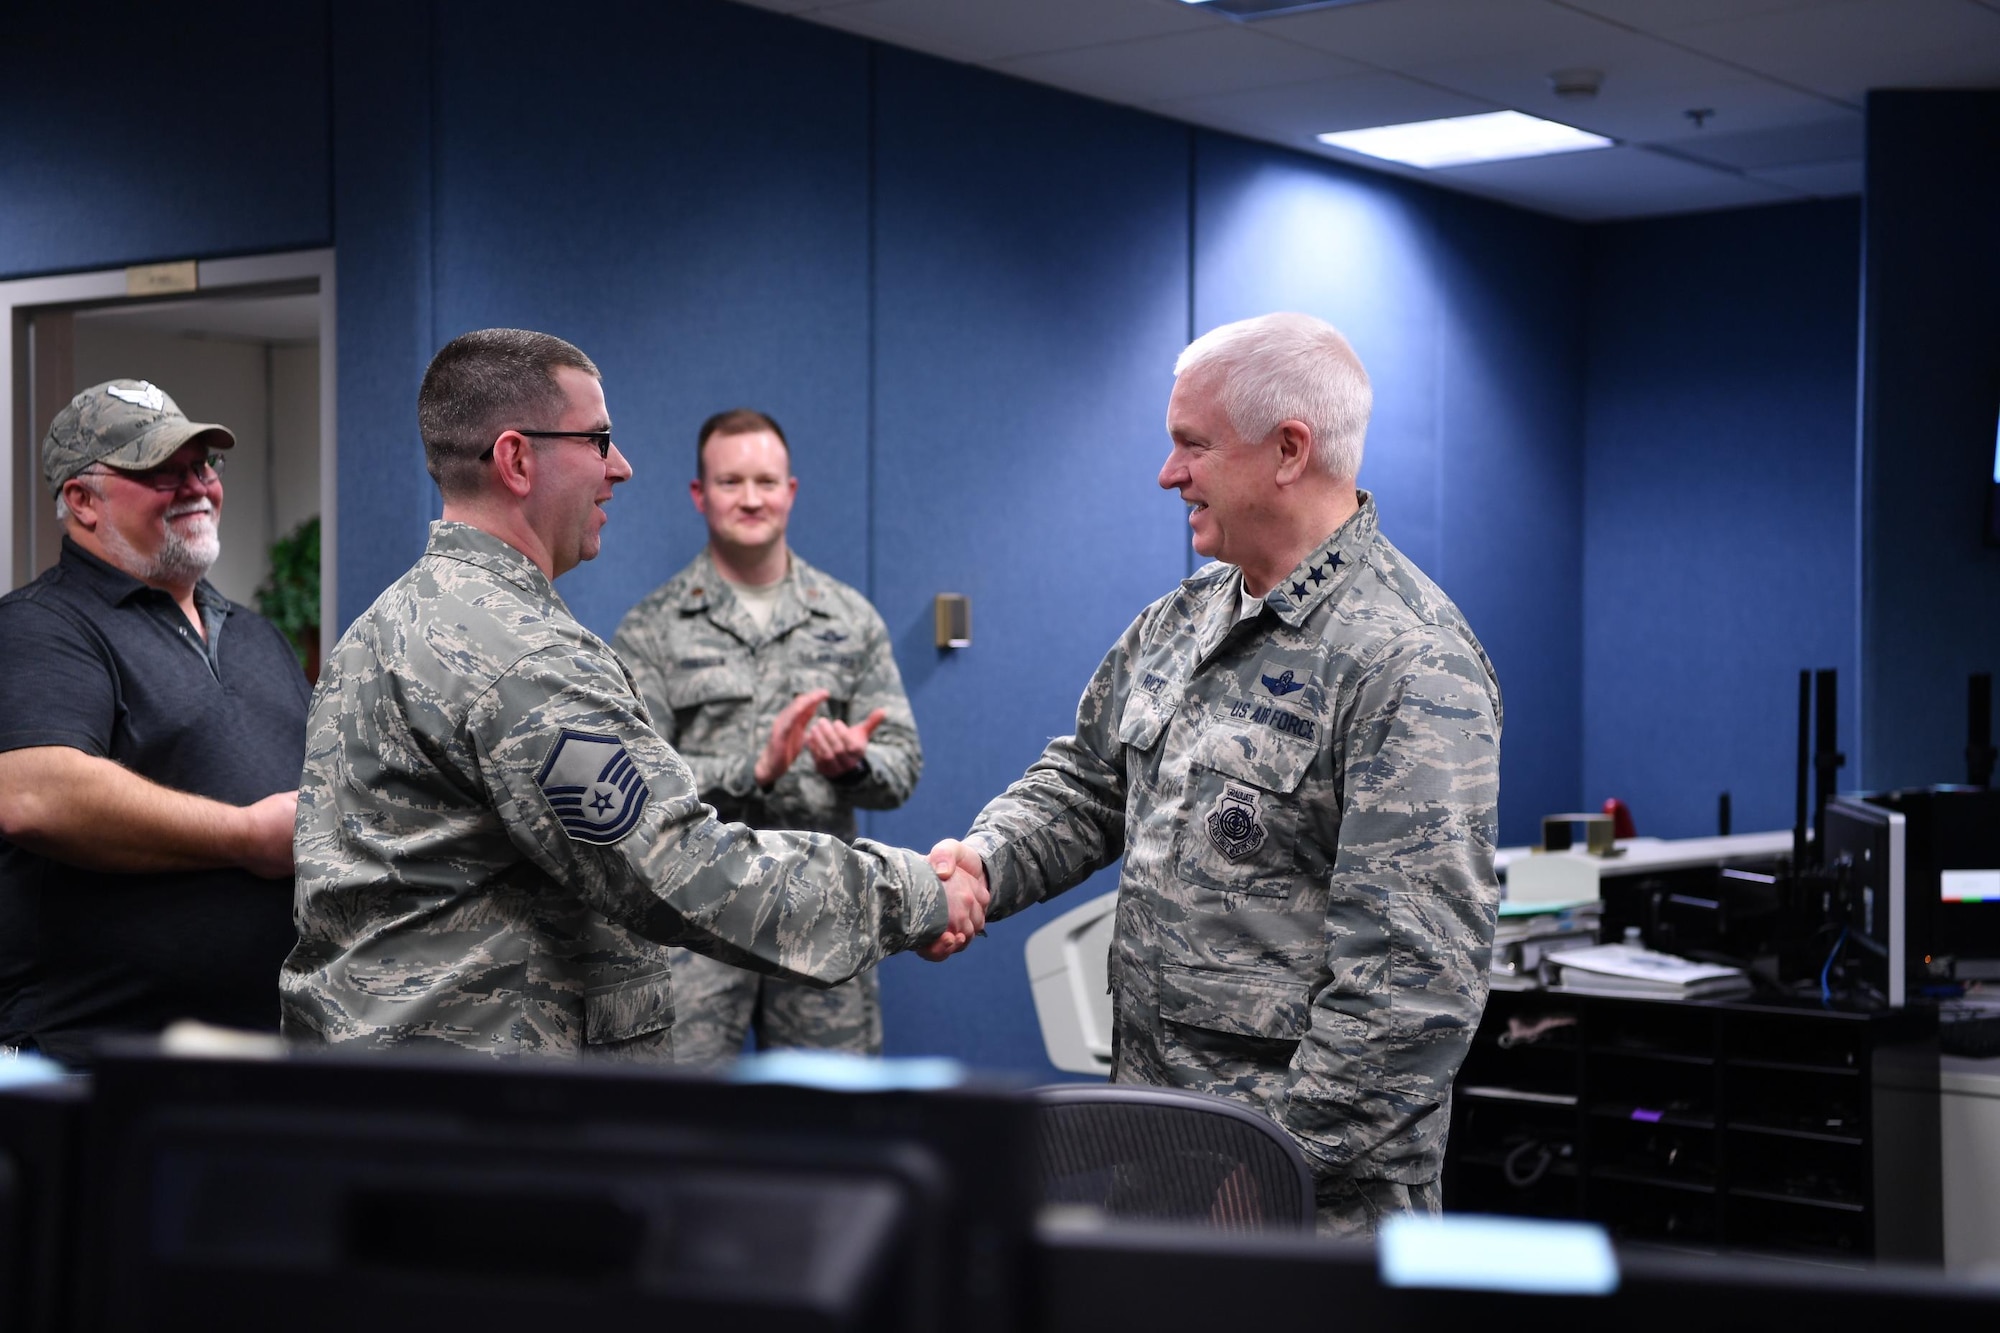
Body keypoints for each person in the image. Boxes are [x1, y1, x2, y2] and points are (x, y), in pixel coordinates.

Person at [929, 313, 1502, 1236]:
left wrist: (1280, 1167)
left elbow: (1412, 985)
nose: (1168, 473)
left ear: (1287, 450)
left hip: (1309, 1198)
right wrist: (984, 864)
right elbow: (1085, 784)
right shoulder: (1182, 621)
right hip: (1161, 1148)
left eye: (1191, 445)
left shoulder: (1409, 661)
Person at [281, 329, 984, 1058]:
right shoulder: (525, 659)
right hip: (485, 1122)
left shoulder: (380, 626)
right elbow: (675, 865)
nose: (620, 467)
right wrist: (916, 892)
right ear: (518, 459)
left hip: (381, 1092)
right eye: (598, 438)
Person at [0, 381, 306, 1066]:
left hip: (256, 1055)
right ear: (81, 500)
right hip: (87, 1064)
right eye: (160, 472)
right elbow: (32, 794)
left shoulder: (257, 637)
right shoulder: (40, 627)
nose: (195, 487)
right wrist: (245, 836)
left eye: (202, 467)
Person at [611, 410, 919, 1064]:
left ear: (791, 491)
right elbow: (637, 783)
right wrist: (756, 767)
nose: (750, 497)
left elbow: (903, 766)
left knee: (830, 1127)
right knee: (680, 1121)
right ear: (699, 494)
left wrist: (853, 767)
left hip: (821, 908)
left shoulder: (849, 618)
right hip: (693, 912)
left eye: (765, 480)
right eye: (730, 482)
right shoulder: (653, 628)